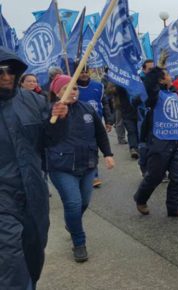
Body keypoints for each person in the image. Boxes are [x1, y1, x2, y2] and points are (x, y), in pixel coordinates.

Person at [0, 47, 68, 289]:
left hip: (33, 193)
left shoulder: (33, 100)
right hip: (2, 198)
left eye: (11, 70)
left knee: (33, 253)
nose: (6, 76)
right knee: (10, 259)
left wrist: (59, 119)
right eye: (0, 71)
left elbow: (48, 140)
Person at [46, 75, 115, 262]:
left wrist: (108, 154)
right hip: (61, 167)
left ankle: (72, 221)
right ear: (56, 91)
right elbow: (45, 137)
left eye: (75, 88)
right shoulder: (49, 111)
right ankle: (79, 243)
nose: (73, 91)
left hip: (88, 165)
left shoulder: (88, 108)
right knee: (74, 203)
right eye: (66, 88)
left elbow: (100, 133)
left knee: (83, 203)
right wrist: (56, 117)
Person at [134, 67, 178, 218]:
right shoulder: (153, 96)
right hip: (160, 140)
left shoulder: (172, 93)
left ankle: (174, 207)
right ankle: (140, 199)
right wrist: (154, 75)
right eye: (166, 74)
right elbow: (149, 91)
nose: (170, 75)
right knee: (155, 175)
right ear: (160, 80)